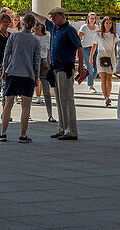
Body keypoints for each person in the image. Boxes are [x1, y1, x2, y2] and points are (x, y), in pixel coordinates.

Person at [32, 7, 83, 140]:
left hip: (65, 67)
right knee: (60, 100)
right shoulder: (54, 28)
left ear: (62, 16)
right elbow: (43, 20)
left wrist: (81, 67)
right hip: (55, 68)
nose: (52, 18)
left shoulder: (70, 30)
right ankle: (62, 128)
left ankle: (71, 131)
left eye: (55, 16)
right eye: (52, 16)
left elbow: (79, 47)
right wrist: (32, 13)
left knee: (67, 100)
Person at [0, 14, 43, 144]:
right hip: (27, 75)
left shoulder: (14, 36)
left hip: (13, 73)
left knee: (8, 104)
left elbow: (7, 53)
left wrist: (5, 69)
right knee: (26, 107)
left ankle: (3, 133)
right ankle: (23, 135)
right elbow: (36, 60)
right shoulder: (35, 41)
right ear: (33, 25)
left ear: (22, 23)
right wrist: (36, 76)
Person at [91, 16, 118, 107]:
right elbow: (94, 46)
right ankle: (106, 97)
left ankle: (108, 96)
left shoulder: (114, 35)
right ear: (103, 24)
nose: (108, 25)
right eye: (107, 23)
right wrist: (91, 57)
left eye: (110, 23)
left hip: (110, 57)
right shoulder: (98, 35)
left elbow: (116, 48)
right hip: (101, 56)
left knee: (109, 79)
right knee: (103, 78)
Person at [31, 20, 54, 122]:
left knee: (46, 91)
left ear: (41, 26)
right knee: (29, 90)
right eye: (34, 25)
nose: (35, 27)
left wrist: (48, 65)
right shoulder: (31, 36)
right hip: (32, 62)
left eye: (37, 25)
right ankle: (27, 114)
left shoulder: (47, 38)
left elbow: (48, 53)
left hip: (44, 62)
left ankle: (50, 114)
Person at [77, 12, 98, 92]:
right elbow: (78, 38)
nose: (92, 20)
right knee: (90, 68)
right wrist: (77, 50)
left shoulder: (97, 27)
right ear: (88, 18)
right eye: (91, 18)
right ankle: (91, 86)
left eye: (94, 18)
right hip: (86, 49)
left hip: (95, 48)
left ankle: (88, 79)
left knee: (96, 69)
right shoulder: (84, 27)